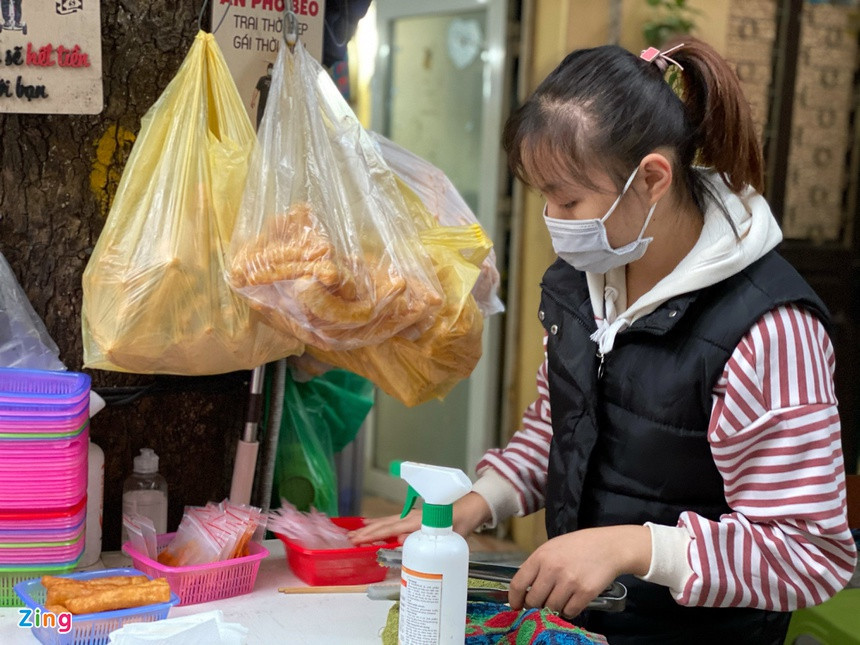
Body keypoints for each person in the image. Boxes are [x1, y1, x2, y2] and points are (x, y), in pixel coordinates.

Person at [351, 37, 858, 644]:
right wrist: (477, 502)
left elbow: (809, 553)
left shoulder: (768, 332)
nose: (553, 220)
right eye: (544, 196)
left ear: (650, 179)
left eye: (568, 198)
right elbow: (558, 427)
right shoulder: (579, 286)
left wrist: (633, 546)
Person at [250, 62, 273, 131]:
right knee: (259, 123)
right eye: (269, 69)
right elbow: (256, 89)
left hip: (270, 107)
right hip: (262, 106)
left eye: (272, 69)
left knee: (269, 124)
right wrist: (253, 100)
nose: (270, 71)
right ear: (267, 70)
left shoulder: (275, 80)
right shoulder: (262, 79)